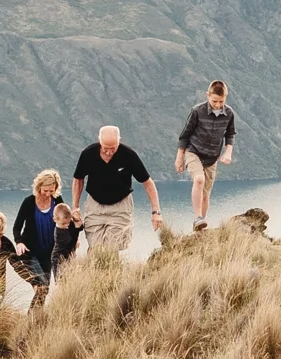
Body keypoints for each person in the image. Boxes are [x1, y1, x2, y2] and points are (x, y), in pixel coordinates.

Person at [72, 125, 164, 253]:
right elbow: (78, 179)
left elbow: (147, 183)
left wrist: (156, 212)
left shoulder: (128, 155)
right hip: (95, 205)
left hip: (120, 205)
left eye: (113, 149)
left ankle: (111, 271)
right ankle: (93, 272)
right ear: (100, 141)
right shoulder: (88, 154)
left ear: (119, 141)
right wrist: (75, 207)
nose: (109, 152)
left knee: (112, 247)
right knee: (95, 247)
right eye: (105, 148)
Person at [176, 80, 237, 232]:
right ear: (207, 95)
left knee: (205, 194)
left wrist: (228, 151)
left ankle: (200, 226)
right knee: (199, 179)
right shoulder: (197, 111)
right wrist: (179, 157)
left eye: (221, 101)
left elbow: (230, 134)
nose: (217, 105)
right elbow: (185, 135)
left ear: (226, 97)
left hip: (212, 158)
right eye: (214, 101)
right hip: (194, 151)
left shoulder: (229, 113)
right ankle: (197, 217)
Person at [11, 171, 71, 309]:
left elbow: (66, 221)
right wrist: (19, 242)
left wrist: (72, 239)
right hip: (30, 252)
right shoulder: (29, 202)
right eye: (45, 190)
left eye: (51, 190)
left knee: (44, 290)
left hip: (49, 254)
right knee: (42, 286)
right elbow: (16, 227)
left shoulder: (57, 200)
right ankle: (32, 321)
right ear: (39, 187)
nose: (48, 194)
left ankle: (36, 321)